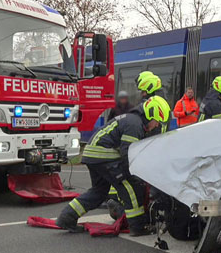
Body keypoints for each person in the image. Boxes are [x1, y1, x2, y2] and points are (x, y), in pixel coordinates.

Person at [56, 96, 171, 236]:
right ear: (150, 114)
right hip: (104, 155)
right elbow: (127, 154)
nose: (157, 125)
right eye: (157, 122)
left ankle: (67, 217)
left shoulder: (131, 120)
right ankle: (137, 227)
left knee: (98, 192)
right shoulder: (135, 125)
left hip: (93, 155)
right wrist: (133, 176)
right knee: (130, 189)